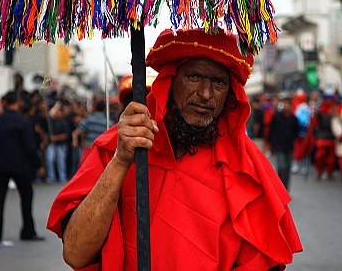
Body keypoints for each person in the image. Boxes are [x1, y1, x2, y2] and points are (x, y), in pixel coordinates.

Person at [47, 29, 302, 270]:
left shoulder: (248, 169)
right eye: (193, 77)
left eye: (219, 82)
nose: (205, 93)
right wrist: (121, 160)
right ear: (170, 82)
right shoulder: (119, 146)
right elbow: (75, 253)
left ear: (230, 94)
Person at [0, 91, 44, 244]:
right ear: (18, 102)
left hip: (0, 164)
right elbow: (30, 147)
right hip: (19, 165)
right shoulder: (23, 122)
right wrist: (38, 164)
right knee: (26, 196)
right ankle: (27, 231)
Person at [267, 94, 299, 190]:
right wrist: (270, 144)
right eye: (284, 103)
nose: (286, 106)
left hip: (289, 146)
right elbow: (271, 131)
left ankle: (285, 189)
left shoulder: (294, 119)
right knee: (281, 167)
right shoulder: (276, 117)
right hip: (278, 146)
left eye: (288, 104)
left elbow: (296, 133)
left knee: (288, 169)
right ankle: (279, 188)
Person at [72, 97, 114, 170]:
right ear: (104, 109)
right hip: (102, 152)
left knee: (85, 172)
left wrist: (76, 141)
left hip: (89, 149)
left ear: (95, 108)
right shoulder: (109, 123)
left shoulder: (89, 119)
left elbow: (77, 132)